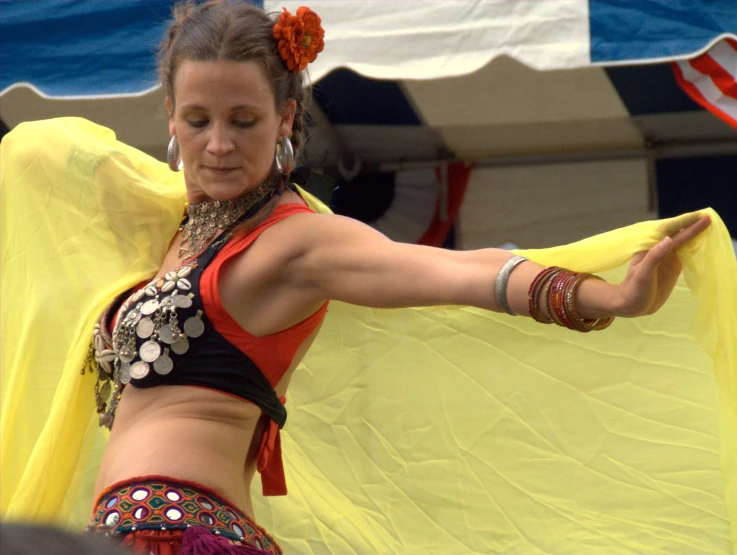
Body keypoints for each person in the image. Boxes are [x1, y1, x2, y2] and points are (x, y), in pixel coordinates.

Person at [0, 1, 723, 554]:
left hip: (178, 531)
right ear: (169, 118)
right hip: (136, 529)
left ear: (285, 118)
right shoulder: (175, 232)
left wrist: (604, 294)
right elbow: (38, 154)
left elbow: (452, 269)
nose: (217, 144)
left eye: (244, 120)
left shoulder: (294, 242)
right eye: (198, 119)